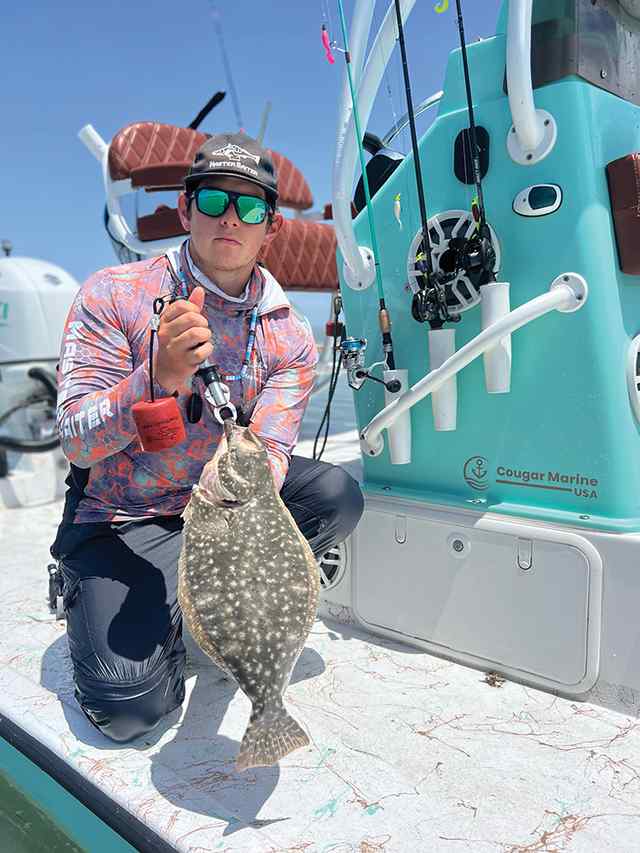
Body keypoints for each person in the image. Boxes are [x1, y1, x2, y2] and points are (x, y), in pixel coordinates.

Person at [50, 132, 363, 743]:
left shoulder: (289, 335)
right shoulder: (115, 294)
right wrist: (157, 377)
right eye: (215, 200)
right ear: (186, 210)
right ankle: (91, 587)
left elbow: (270, 452)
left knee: (335, 494)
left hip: (214, 503)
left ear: (269, 228)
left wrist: (245, 543)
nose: (230, 218)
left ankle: (206, 600)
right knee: (130, 709)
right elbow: (77, 442)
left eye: (249, 208)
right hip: (123, 516)